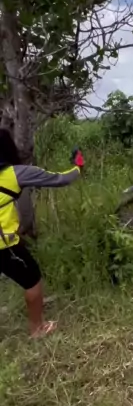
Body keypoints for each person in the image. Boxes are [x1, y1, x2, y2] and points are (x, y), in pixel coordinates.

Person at [0, 130, 83, 338]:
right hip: (5, 245)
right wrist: (78, 166)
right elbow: (61, 179)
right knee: (32, 280)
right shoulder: (15, 173)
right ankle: (37, 329)